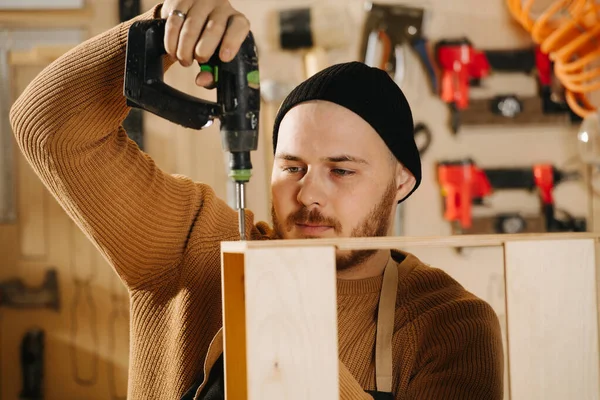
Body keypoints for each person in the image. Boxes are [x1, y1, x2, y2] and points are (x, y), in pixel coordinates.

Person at [9, 0, 504, 399]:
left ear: (401, 181)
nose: (308, 192)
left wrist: (286, 338)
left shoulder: (451, 325)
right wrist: (161, 29)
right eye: (291, 167)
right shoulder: (196, 251)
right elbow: (48, 129)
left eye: (341, 170)